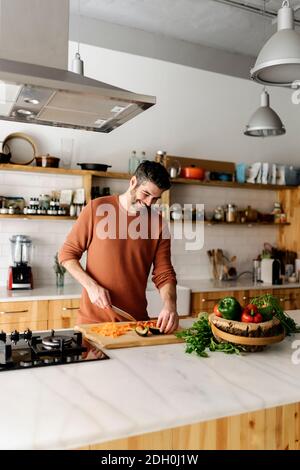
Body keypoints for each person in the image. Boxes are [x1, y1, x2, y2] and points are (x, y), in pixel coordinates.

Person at [58, 160, 179, 334]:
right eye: (145, 194)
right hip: (92, 324)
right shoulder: (96, 209)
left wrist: (170, 305)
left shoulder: (158, 224)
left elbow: (164, 273)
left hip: (135, 324)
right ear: (133, 182)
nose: (148, 203)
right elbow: (67, 254)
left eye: (155, 199)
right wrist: (91, 287)